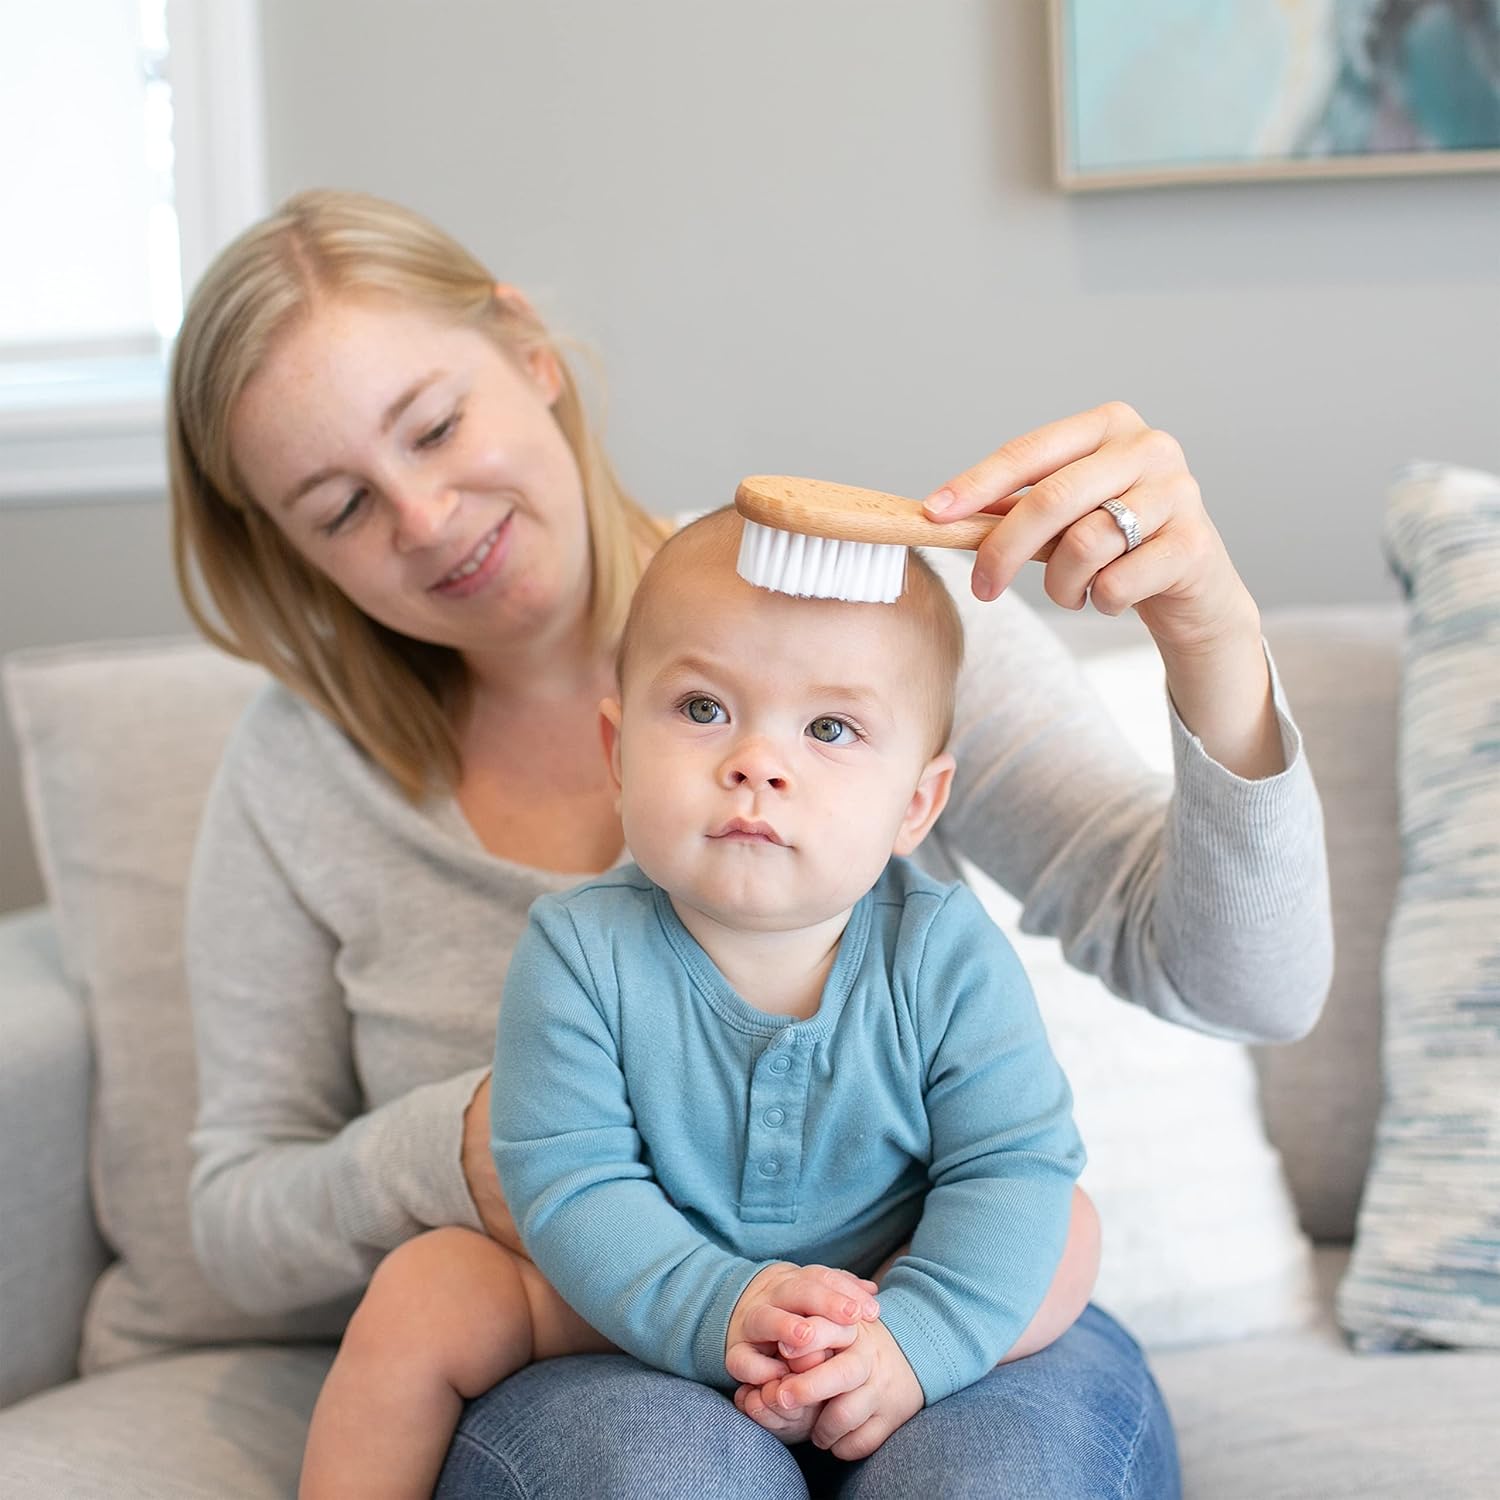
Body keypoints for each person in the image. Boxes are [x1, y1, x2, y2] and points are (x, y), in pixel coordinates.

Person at [172, 187, 1331, 1499]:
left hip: (947, 1305)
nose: (428, 518)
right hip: (604, 1344)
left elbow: (1245, 998)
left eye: (436, 425)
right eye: (338, 507)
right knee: (654, 1470)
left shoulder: (887, 617)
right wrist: (472, 1150)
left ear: (529, 353)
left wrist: (1210, 633)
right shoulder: (315, 780)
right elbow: (233, 1217)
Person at [297, 514, 1100, 1497]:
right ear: (616, 751)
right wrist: (723, 1305)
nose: (758, 762)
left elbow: (1006, 1164)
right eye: (704, 708)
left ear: (917, 807)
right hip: (636, 1290)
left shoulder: (944, 954)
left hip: (886, 1279)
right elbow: (572, 1185)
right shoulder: (579, 951)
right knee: (425, 1292)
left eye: (830, 728)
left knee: (1061, 1222)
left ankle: (889, 1367)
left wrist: (912, 1341)